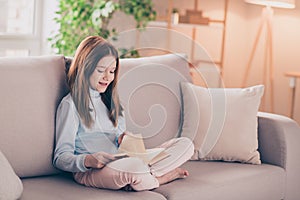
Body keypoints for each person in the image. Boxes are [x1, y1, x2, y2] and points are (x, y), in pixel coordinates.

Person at [53, 35, 194, 191]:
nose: (108, 77)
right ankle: (162, 177)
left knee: (186, 145)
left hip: (124, 161)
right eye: (101, 70)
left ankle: (143, 176)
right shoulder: (71, 105)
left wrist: (125, 141)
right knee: (134, 168)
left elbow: (122, 145)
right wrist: (88, 160)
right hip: (91, 171)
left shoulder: (113, 104)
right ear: (84, 67)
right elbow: (60, 158)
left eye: (112, 71)